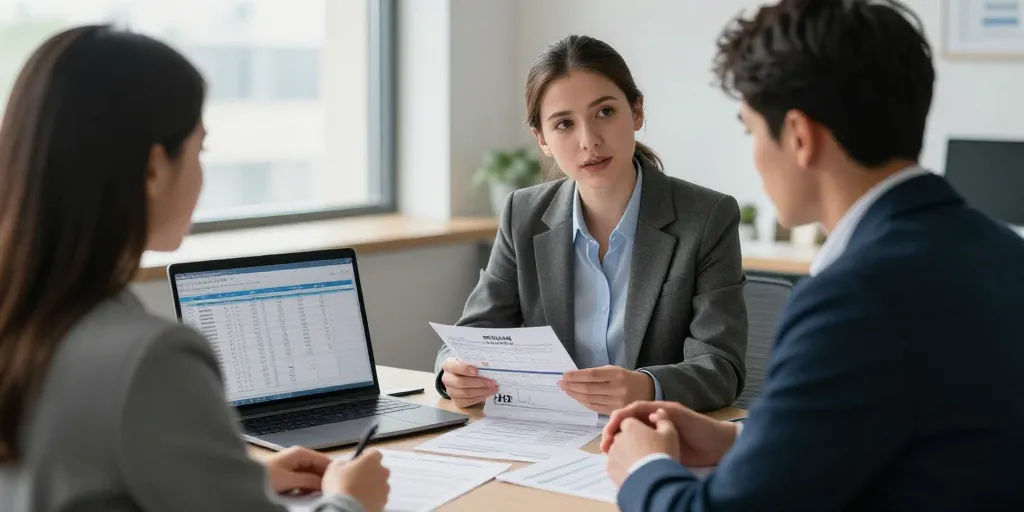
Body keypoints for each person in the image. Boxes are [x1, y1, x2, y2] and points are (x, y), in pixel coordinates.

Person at [601, 0, 1024, 510]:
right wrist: (745, 442)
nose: (753, 153)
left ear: (799, 137)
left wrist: (644, 468)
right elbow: (918, 431)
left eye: (751, 130)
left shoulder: (855, 299)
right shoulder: (1002, 252)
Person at [0, 25, 389, 512]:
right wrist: (351, 501)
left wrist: (228, 476)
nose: (202, 171)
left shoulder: (25, 324)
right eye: (199, 148)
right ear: (153, 168)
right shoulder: (151, 358)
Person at [435, 34, 749, 415]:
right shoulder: (523, 214)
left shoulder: (707, 217)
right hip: (550, 437)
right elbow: (468, 339)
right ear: (543, 140)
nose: (589, 141)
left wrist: (647, 387)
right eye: (564, 124)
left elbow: (721, 367)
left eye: (605, 112)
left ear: (636, 112)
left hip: (652, 436)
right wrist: (452, 375)